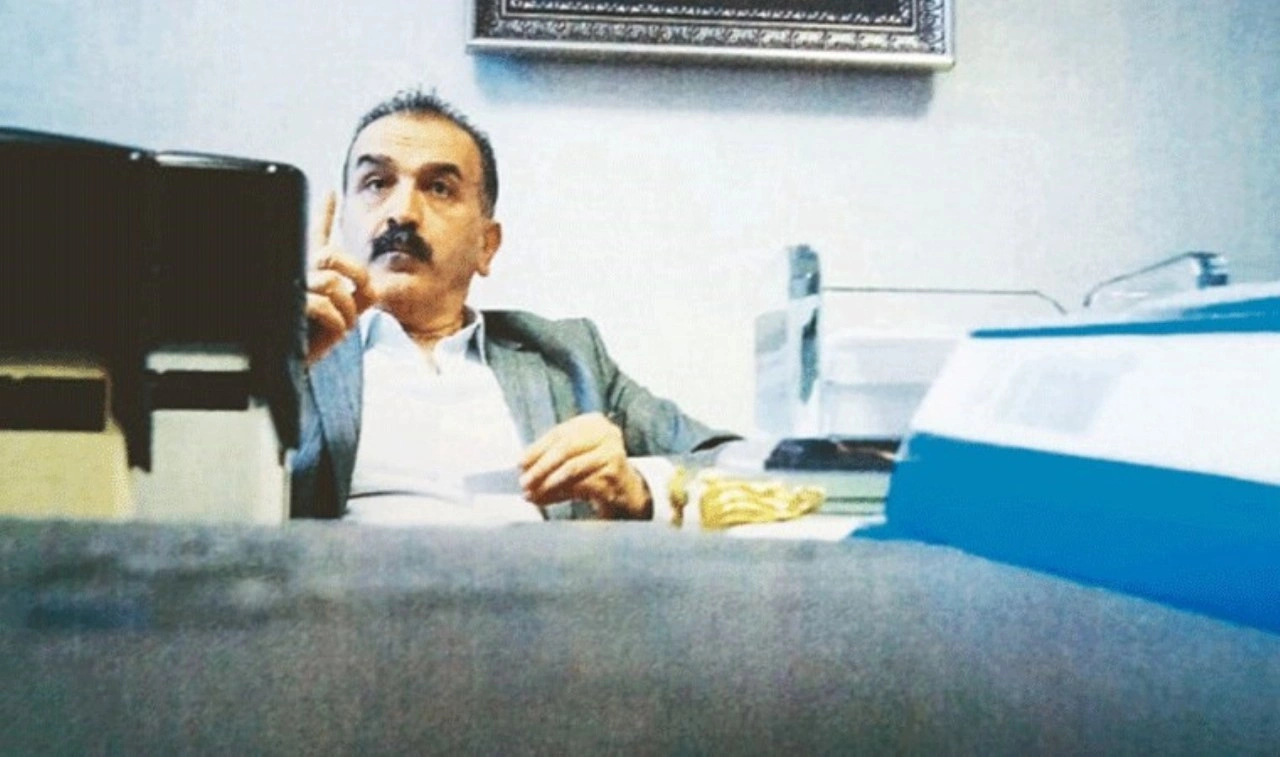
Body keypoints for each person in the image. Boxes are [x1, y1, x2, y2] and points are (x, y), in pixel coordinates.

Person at [291, 88, 735, 524]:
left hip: (531, 571)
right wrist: (281, 368)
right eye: (377, 183)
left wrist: (638, 487)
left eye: (439, 188)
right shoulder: (294, 351)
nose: (402, 212)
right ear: (343, 224)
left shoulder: (569, 358)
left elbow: (749, 467)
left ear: (486, 245)